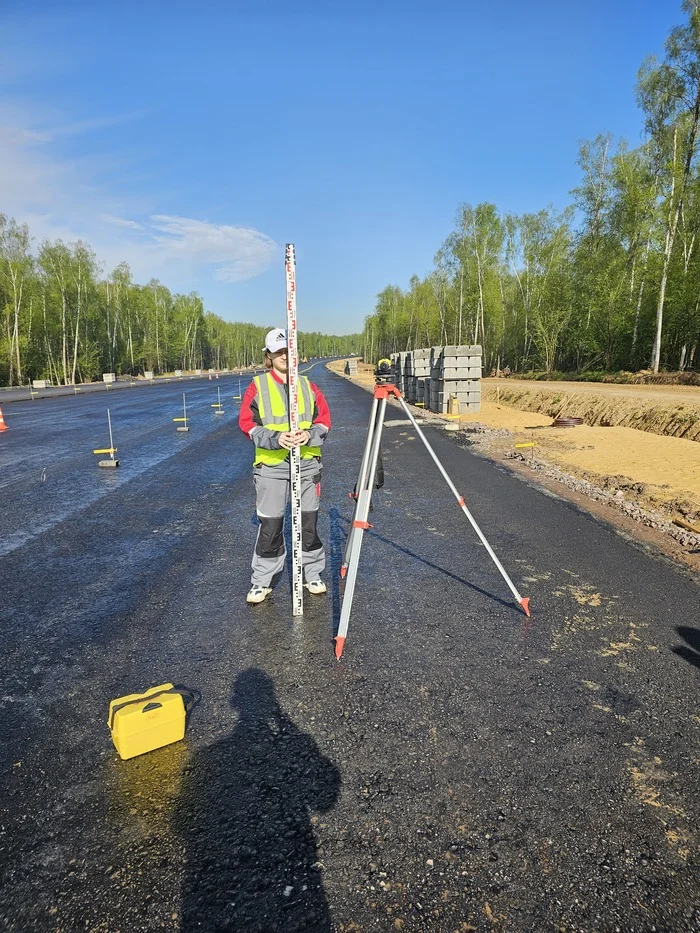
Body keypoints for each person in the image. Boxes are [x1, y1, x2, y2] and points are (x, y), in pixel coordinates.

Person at [239, 328, 332, 604]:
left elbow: (324, 421)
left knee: (308, 523)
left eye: (288, 351)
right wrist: (276, 438)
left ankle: (312, 573)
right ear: (269, 356)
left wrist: (308, 435)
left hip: (306, 464)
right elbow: (247, 425)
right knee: (271, 525)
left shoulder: (308, 386)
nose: (284, 356)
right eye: (278, 352)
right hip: (272, 467)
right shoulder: (258, 386)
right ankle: (262, 580)